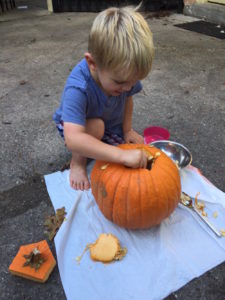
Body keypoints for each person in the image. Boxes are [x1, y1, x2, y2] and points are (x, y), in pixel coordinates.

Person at [53, 6, 155, 191]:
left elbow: (128, 99)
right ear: (92, 63)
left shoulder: (125, 79)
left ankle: (103, 139)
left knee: (129, 150)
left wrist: (127, 129)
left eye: (133, 82)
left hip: (107, 123)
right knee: (98, 128)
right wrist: (120, 155)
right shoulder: (78, 86)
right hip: (74, 126)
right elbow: (73, 138)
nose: (127, 88)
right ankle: (77, 162)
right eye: (121, 82)